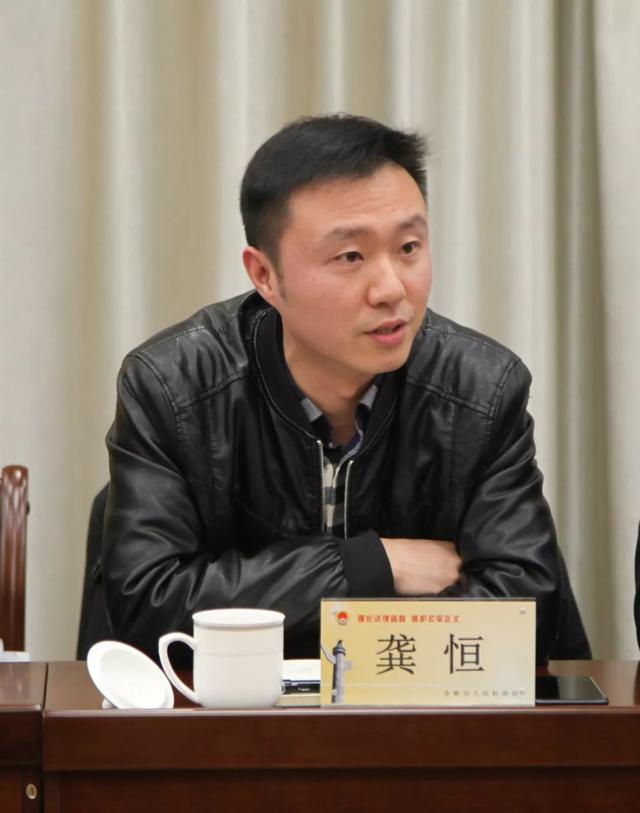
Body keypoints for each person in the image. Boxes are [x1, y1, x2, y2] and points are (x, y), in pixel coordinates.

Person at [103, 113, 564, 665]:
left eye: (409, 247)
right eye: (350, 257)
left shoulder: (481, 391)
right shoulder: (173, 388)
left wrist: (326, 643)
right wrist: (371, 566)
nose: (391, 289)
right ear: (265, 275)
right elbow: (149, 605)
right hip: (226, 714)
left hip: (417, 717)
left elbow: (524, 615)